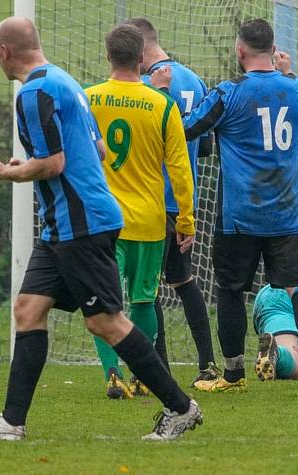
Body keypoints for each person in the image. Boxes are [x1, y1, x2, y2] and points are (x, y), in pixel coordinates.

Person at [0, 17, 202, 441]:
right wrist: (29, 167)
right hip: (63, 226)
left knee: (106, 322)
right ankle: (12, 422)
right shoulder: (62, 80)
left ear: (4, 52)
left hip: (81, 223)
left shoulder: (34, 92)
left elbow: (54, 163)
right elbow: (99, 149)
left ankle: (182, 408)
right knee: (28, 310)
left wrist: (4, 172)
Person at [152, 19, 298, 397]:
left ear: (240, 51)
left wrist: (164, 95)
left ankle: (234, 375)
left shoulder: (228, 93)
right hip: (293, 210)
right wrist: (290, 73)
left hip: (242, 213)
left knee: (231, 290)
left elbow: (184, 129)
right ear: (272, 49)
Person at [84, 24, 197, 399]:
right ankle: (141, 375)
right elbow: (180, 169)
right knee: (144, 299)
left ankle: (112, 374)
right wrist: (185, 220)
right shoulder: (163, 105)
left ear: (108, 56)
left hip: (102, 220)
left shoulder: (88, 99)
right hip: (149, 220)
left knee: (105, 302)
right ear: (142, 59)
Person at [128, 17, 219, 386]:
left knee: (145, 289)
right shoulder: (195, 80)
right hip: (182, 200)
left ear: (140, 49)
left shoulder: (146, 88)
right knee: (184, 282)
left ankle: (160, 370)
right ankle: (207, 364)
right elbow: (207, 146)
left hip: (147, 198)